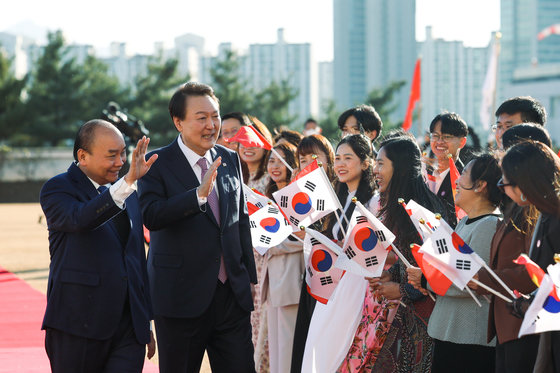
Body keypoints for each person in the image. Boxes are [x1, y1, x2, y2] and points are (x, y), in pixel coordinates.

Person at [138, 82, 257, 373]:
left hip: (231, 297)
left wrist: (248, 279)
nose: (211, 125)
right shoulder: (156, 162)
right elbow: (151, 216)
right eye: (201, 117)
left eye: (215, 116)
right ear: (178, 122)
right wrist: (196, 196)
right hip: (180, 298)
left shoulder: (228, 158)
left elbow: (239, 221)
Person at [39, 120, 157, 372]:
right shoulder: (57, 188)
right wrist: (125, 185)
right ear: (83, 156)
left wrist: (145, 320)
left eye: (123, 153)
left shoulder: (129, 191)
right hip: (78, 323)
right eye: (111, 155)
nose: (121, 162)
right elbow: (81, 218)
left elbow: (136, 256)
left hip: (129, 328)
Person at [410, 153, 502, 372]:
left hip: (469, 337)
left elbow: (472, 282)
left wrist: (426, 279)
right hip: (452, 332)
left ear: (480, 185)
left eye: (464, 175)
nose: (457, 180)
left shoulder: (489, 225)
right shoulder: (466, 222)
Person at [367, 135, 448, 372]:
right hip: (407, 316)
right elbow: (408, 260)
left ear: (399, 168)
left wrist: (400, 289)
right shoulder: (399, 207)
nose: (375, 170)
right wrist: (390, 275)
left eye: (381, 164)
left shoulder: (421, 213)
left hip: (426, 321)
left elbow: (435, 272)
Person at [302, 134, 380, 372]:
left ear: (366, 163)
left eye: (348, 158)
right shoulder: (335, 198)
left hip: (358, 284)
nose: (340, 164)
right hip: (332, 284)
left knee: (344, 347)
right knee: (320, 344)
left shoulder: (374, 202)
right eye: (338, 158)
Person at [499, 140, 560, 372]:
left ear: (523, 184)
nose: (502, 188)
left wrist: (535, 305)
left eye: (503, 181)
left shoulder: (555, 220)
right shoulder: (545, 214)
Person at [290, 133, 336, 373]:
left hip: (335, 282)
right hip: (311, 277)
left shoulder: (339, 190)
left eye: (314, 156)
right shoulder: (299, 194)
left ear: (328, 158)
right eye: (302, 158)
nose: (308, 162)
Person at [262, 142, 304, 373]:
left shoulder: (297, 196)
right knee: (276, 347)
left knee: (288, 347)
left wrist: (271, 243)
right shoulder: (270, 197)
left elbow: (303, 237)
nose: (275, 166)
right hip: (273, 282)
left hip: (292, 281)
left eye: (281, 160)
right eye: (271, 160)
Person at [426, 112, 468, 228]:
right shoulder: (425, 174)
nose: (439, 142)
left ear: (462, 142)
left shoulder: (465, 179)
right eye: (435, 136)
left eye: (446, 137)